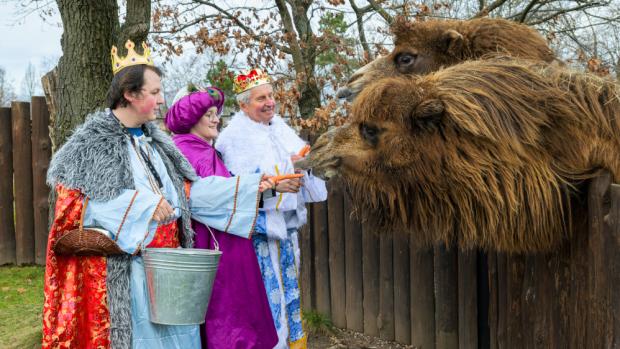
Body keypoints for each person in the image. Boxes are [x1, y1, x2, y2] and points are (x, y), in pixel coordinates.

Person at [41, 41, 272, 349]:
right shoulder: (90, 147)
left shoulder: (159, 146)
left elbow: (187, 196)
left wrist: (247, 187)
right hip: (130, 275)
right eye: (154, 93)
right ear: (129, 93)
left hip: (170, 273)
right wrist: (143, 206)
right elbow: (76, 210)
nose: (163, 99)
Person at [215, 69, 328, 349]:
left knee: (289, 291)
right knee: (266, 295)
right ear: (243, 105)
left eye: (271, 96)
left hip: (286, 229)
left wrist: (302, 164)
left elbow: (301, 166)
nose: (269, 102)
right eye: (261, 98)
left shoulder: (278, 127)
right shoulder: (233, 138)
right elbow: (239, 187)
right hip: (257, 235)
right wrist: (279, 178)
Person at [164, 85, 278, 348]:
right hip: (213, 245)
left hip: (221, 240)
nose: (217, 119)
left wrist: (257, 188)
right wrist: (251, 186)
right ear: (191, 118)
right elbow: (197, 198)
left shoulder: (199, 148)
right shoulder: (191, 151)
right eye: (209, 114)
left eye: (217, 113)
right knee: (228, 314)